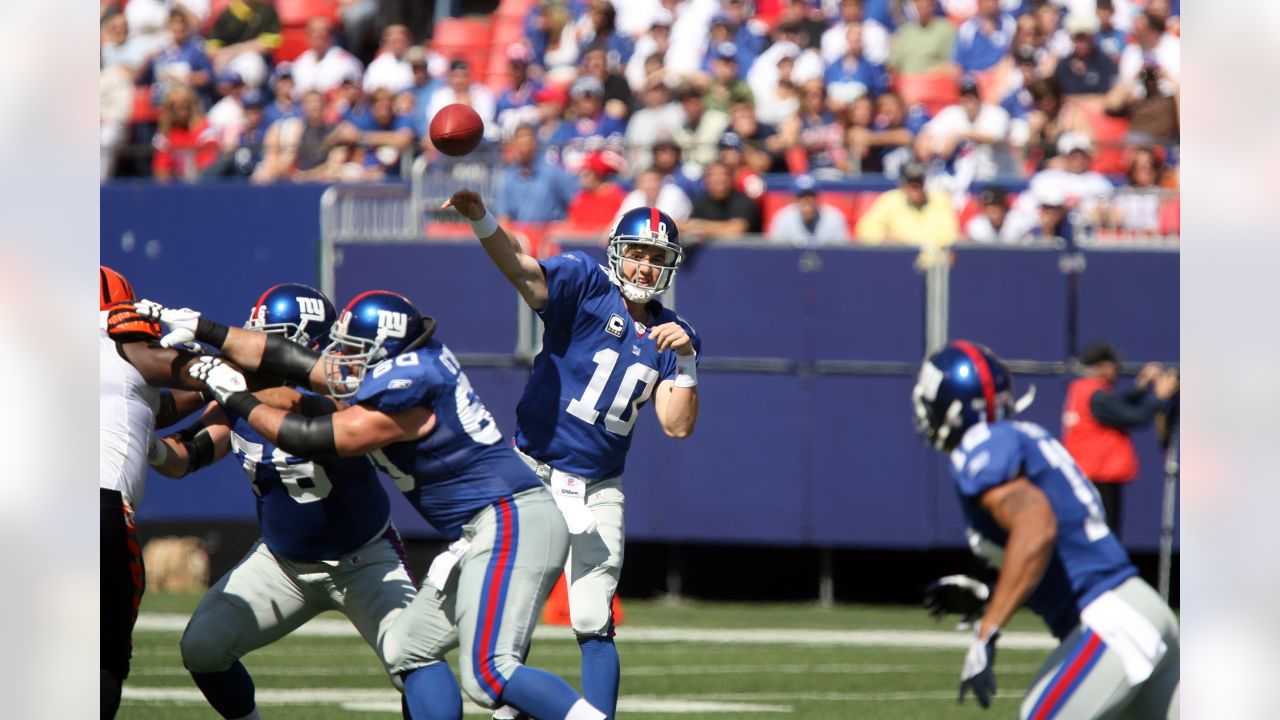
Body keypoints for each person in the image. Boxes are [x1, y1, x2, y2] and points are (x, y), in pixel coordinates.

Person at [141, 291, 608, 720]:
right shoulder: (395, 368)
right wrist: (204, 329)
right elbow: (286, 366)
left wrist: (232, 391)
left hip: (480, 525)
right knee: (409, 648)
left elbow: (307, 432)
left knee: (489, 674)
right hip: (329, 554)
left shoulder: (404, 390)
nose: (336, 359)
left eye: (350, 349)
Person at [456, 193, 701, 720]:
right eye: (637, 252)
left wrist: (686, 361)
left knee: (594, 616)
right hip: (532, 474)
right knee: (507, 612)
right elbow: (521, 269)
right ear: (617, 251)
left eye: (657, 258)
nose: (645, 265)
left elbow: (677, 425)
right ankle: (510, 706)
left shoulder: (671, 333)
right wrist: (481, 217)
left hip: (598, 486)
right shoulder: (588, 284)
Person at [148, 284, 416, 720]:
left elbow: (302, 405)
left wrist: (221, 380)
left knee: (415, 663)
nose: (248, 346)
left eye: (265, 337)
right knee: (203, 649)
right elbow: (185, 456)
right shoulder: (237, 395)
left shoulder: (340, 394)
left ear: (301, 344)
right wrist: (149, 445)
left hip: (363, 560)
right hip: (283, 563)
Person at [913, 341, 1180, 719]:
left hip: (1112, 624)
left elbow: (1036, 526)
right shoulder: (1022, 437)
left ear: (952, 406)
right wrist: (993, 594)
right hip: (1141, 609)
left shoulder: (980, 445)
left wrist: (988, 629)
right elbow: (1056, 549)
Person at [99, 267, 209, 718]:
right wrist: (228, 363)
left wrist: (212, 387)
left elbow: (147, 407)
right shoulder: (119, 339)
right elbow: (156, 367)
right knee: (101, 658)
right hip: (95, 507)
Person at [1062, 340, 1179, 537]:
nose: (1118, 369)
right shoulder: (1095, 395)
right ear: (1103, 366)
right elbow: (1136, 417)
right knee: (1105, 534)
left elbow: (1118, 405)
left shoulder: (1084, 390)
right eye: (1114, 364)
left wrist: (1141, 389)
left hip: (1090, 475)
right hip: (1098, 477)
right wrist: (1160, 397)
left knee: (1099, 532)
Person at [854, 162, 958, 266]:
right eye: (911, 183)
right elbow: (865, 230)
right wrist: (885, 239)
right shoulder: (890, 200)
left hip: (935, 266)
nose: (916, 187)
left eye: (919, 182)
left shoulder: (939, 200)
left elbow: (949, 236)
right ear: (902, 184)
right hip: (899, 265)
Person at [494, 124, 579, 224]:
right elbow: (503, 216)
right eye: (521, 144)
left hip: (548, 236)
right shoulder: (508, 177)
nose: (525, 149)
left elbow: (577, 202)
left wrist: (565, 228)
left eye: (528, 143)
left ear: (535, 144)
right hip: (520, 236)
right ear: (514, 146)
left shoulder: (553, 173)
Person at [766, 174, 850, 246]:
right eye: (802, 197)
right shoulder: (783, 219)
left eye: (811, 196)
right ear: (795, 200)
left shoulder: (834, 218)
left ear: (817, 198)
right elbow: (775, 254)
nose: (807, 202)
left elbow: (843, 253)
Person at [291, 16, 364, 97]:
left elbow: (354, 95)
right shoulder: (300, 62)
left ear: (331, 37)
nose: (318, 39)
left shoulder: (346, 62)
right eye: (314, 34)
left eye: (322, 35)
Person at [687, 161, 761, 240]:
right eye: (712, 176)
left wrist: (698, 226)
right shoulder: (700, 202)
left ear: (731, 179)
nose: (718, 179)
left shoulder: (744, 201)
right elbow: (686, 228)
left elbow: (736, 230)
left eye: (723, 175)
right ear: (705, 181)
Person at [886, 0, 956, 75]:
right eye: (918, 2)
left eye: (926, 3)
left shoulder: (945, 29)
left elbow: (954, 64)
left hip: (934, 81)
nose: (922, 6)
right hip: (907, 82)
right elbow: (892, 65)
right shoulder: (905, 32)